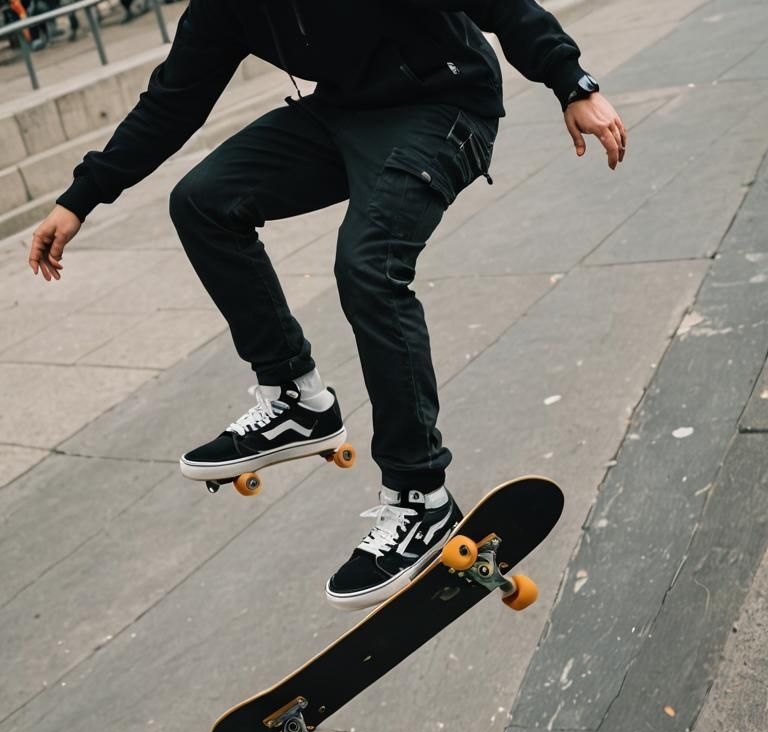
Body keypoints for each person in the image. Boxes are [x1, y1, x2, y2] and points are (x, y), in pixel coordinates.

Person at [28, 0, 626, 610]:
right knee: (203, 200)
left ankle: (422, 498)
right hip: (344, 113)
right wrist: (81, 199)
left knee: (369, 265)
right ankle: (296, 400)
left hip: (445, 107)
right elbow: (172, 100)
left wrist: (570, 81)